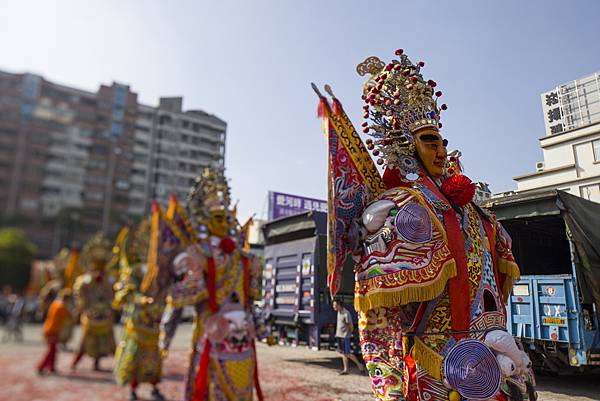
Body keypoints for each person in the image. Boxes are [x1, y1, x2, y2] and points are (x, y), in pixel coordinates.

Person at [315, 50, 536, 401]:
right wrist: (388, 386)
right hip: (440, 368)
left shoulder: (475, 212)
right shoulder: (400, 209)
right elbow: (379, 315)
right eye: (429, 141)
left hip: (497, 362)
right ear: (407, 146)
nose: (440, 151)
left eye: (442, 142)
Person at [160, 169, 264, 401]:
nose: (224, 220)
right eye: (216, 216)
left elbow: (250, 298)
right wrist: (166, 335)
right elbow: (178, 300)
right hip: (213, 333)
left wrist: (261, 328)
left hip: (242, 338)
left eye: (225, 215)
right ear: (205, 218)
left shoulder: (246, 258)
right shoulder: (198, 254)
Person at [112, 218, 178, 401]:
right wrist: (141, 300)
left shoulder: (160, 270)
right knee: (136, 357)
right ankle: (133, 388)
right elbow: (125, 292)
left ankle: (154, 387)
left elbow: (167, 288)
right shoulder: (135, 270)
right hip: (138, 320)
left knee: (154, 359)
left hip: (155, 321)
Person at [71, 234, 116, 371]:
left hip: (105, 314)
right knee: (85, 341)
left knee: (109, 341)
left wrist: (112, 305)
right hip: (91, 315)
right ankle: (76, 361)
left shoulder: (109, 279)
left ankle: (117, 363)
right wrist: (83, 305)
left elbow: (114, 293)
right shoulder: (85, 279)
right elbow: (79, 292)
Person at [37, 289, 73, 374]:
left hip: (49, 328)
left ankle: (51, 367)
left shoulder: (55, 303)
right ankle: (41, 367)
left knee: (53, 350)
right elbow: (69, 317)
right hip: (54, 329)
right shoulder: (62, 307)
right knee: (51, 350)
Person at [333, 299, 364, 375]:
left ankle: (359, 365)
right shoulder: (338, 312)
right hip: (339, 335)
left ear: (339, 305)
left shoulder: (346, 313)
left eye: (335, 305)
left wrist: (348, 334)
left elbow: (351, 326)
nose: (334, 307)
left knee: (348, 353)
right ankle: (346, 369)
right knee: (343, 353)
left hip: (345, 336)